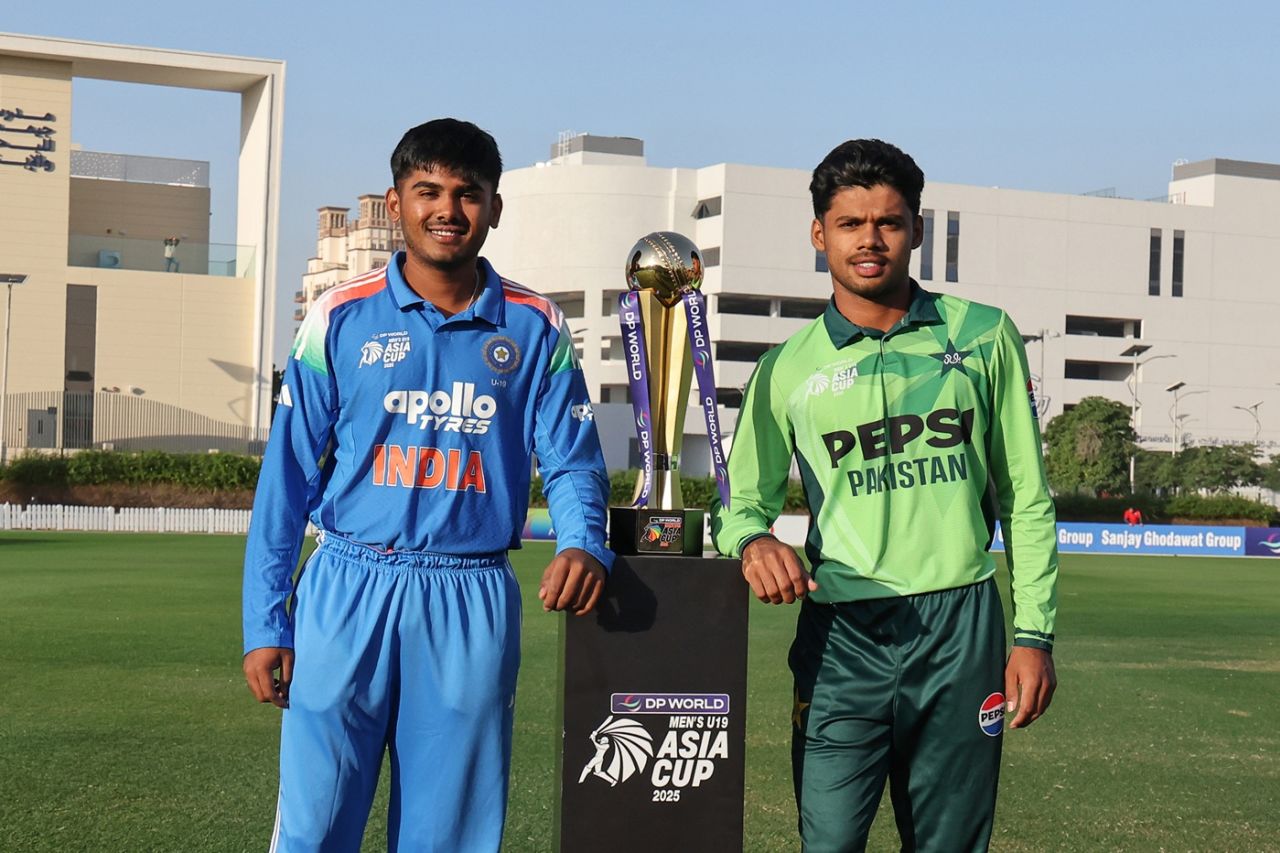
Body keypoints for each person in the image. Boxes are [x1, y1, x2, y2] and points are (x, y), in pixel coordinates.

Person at [242, 118, 612, 852]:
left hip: (468, 596)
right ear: (397, 201)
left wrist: (584, 541)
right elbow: (284, 477)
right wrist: (266, 621)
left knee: (448, 836)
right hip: (347, 587)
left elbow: (571, 458)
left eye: (467, 193)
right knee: (314, 826)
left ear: (494, 208)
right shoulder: (339, 317)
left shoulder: (535, 325)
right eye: (428, 191)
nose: (448, 209)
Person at [712, 139, 1059, 852]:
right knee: (830, 841)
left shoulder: (984, 334)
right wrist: (754, 541)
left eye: (889, 222)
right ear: (820, 234)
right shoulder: (785, 368)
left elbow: (1026, 495)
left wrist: (1033, 635)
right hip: (842, 638)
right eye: (850, 223)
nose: (870, 239)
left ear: (916, 230)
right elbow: (740, 504)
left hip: (960, 625)